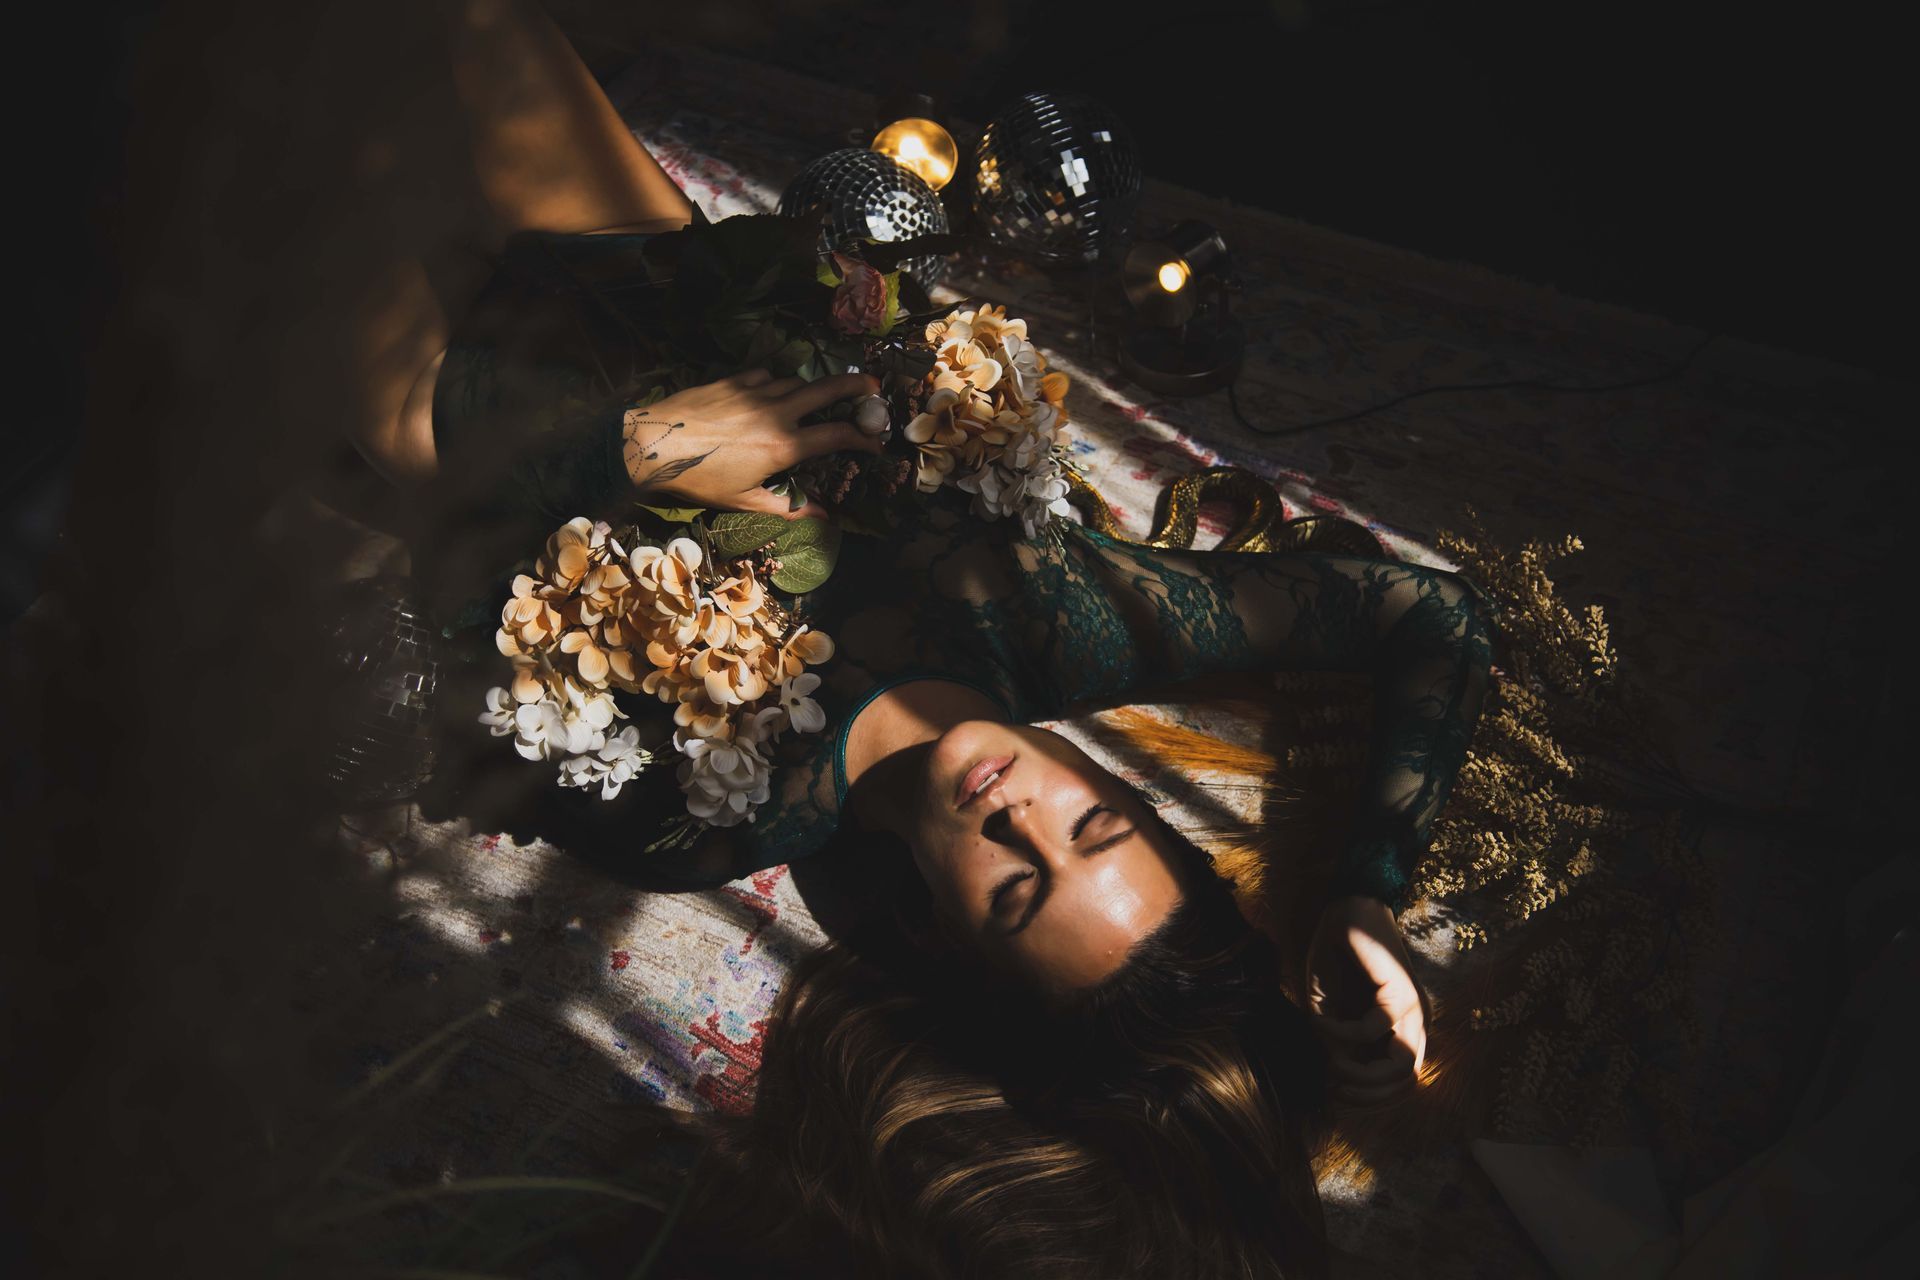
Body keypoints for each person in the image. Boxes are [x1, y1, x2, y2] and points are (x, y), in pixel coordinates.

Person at [349, 3, 1497, 1274]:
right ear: (1138, 800)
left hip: (449, 413)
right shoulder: (1064, 622)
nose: (1023, 812)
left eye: (1017, 888)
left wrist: (642, 451)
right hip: (638, 270)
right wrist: (1362, 892)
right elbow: (1432, 618)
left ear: (945, 943)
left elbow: (457, 560)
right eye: (1094, 825)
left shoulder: (707, 818)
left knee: (271, 118)